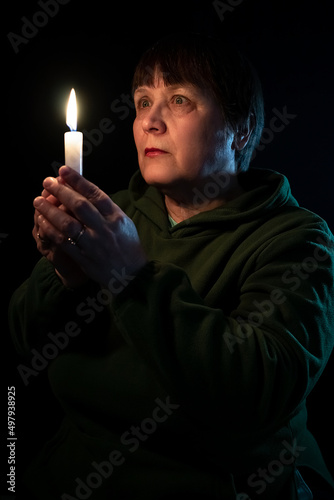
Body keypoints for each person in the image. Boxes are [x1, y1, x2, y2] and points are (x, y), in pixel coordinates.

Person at [9, 33, 334, 500]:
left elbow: (258, 393)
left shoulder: (297, 239)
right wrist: (66, 276)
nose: (149, 123)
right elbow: (24, 342)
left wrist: (131, 277)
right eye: (143, 102)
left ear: (240, 129)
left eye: (179, 99)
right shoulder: (106, 216)